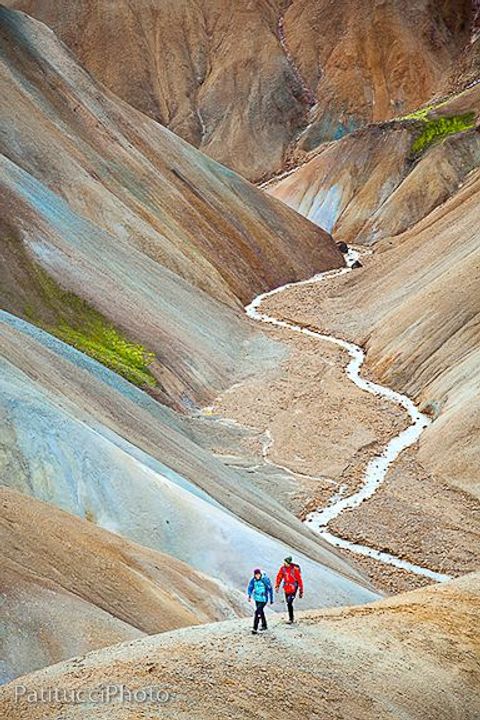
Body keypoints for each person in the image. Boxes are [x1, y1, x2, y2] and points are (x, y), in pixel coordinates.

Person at [275, 556, 303, 624]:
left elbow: (299, 580)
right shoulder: (283, 569)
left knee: (289, 602)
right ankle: (291, 617)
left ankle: (291, 618)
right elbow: (279, 577)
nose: (284, 563)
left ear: (288, 563)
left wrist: (301, 591)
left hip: (293, 588)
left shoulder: (295, 570)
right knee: (288, 602)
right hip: (286, 587)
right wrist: (277, 585)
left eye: (285, 562)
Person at [247, 568, 274, 634]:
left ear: (260, 574)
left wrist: (271, 599)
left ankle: (255, 628)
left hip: (263, 598)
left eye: (258, 574)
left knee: (257, 612)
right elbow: (250, 587)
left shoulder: (264, 580)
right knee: (260, 612)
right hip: (257, 598)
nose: (257, 576)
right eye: (256, 575)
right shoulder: (253, 580)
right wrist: (249, 595)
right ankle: (264, 625)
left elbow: (270, 589)